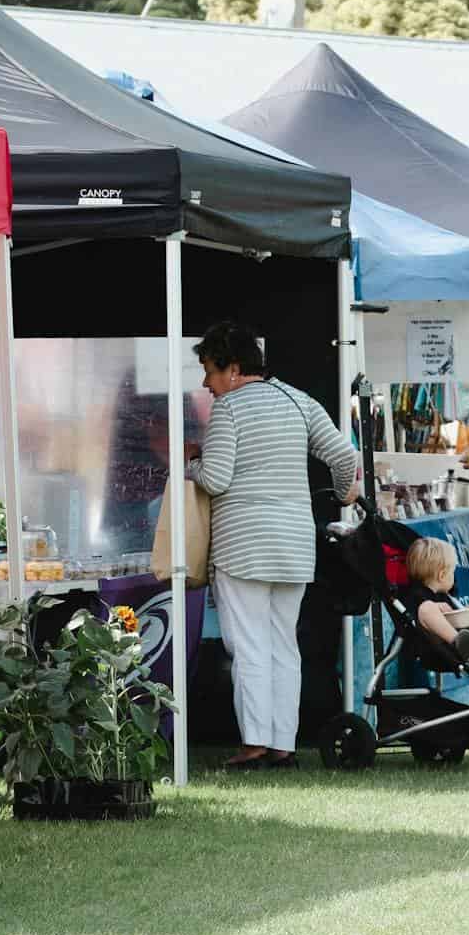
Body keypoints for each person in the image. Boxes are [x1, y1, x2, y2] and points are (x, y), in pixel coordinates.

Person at [186, 323, 358, 770]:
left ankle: (255, 744)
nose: (206, 383)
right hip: (294, 545)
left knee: (248, 646)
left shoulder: (228, 408)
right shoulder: (299, 400)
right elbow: (344, 455)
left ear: (233, 369)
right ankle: (283, 743)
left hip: (243, 545)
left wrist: (192, 463)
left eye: (210, 371)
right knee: (285, 645)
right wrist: (345, 494)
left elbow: (216, 479)